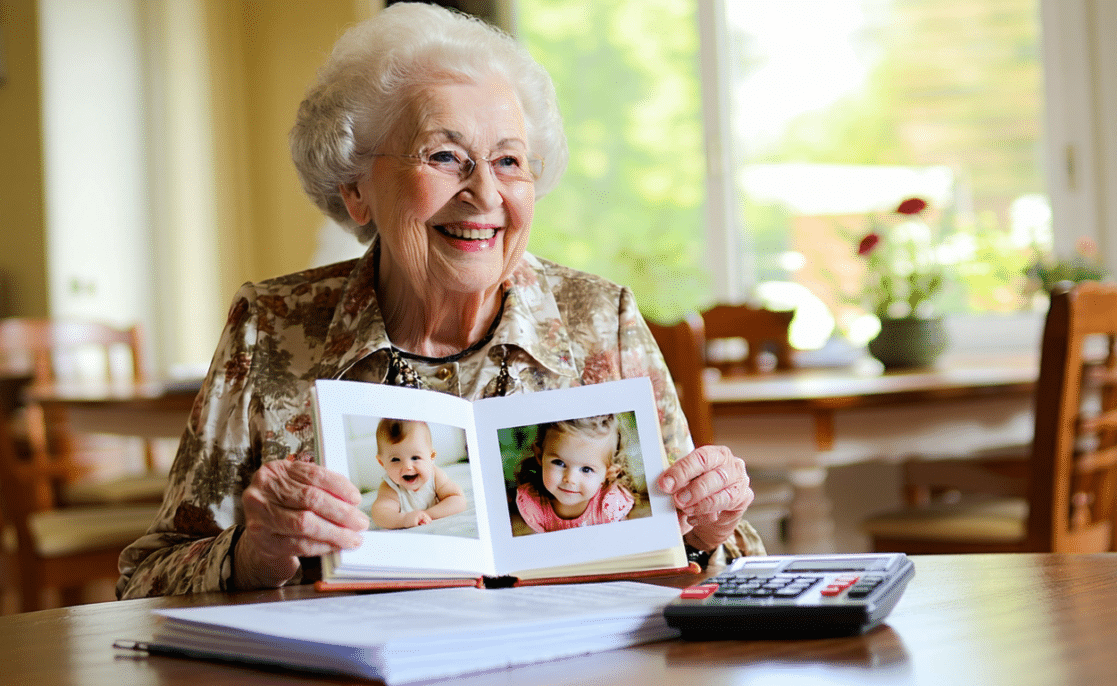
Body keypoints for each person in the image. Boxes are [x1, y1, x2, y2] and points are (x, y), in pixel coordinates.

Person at [116, 2, 763, 599]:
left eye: (510, 161)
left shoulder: (603, 319)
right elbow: (145, 581)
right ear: (356, 190)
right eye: (445, 156)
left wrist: (708, 529)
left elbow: (730, 565)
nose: (484, 194)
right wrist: (255, 554)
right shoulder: (272, 327)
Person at [514, 414, 637, 533]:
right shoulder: (534, 506)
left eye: (586, 469)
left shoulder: (611, 505)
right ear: (540, 456)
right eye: (559, 463)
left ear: (609, 473)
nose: (570, 479)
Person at [370, 418, 466, 529]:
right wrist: (404, 519)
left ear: (431, 456)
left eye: (415, 458)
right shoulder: (390, 488)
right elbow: (380, 515)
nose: (407, 467)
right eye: (395, 460)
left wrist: (428, 514)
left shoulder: (435, 476)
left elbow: (458, 499)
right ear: (382, 463)